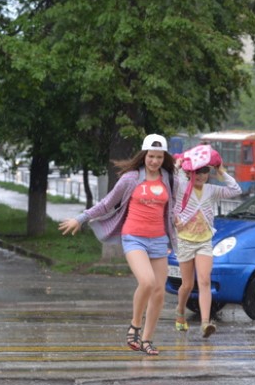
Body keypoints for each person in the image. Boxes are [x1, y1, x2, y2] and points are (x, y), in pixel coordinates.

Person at [59, 134, 177, 356]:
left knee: (159, 292)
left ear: (164, 157)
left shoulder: (170, 179)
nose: (154, 161)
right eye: (151, 156)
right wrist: (81, 218)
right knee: (147, 281)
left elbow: (173, 207)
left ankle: (147, 339)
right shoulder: (131, 179)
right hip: (134, 237)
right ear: (144, 156)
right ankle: (134, 325)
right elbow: (106, 204)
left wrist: (178, 219)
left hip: (159, 239)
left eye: (159, 157)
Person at [173, 144, 242, 337]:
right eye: (197, 171)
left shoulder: (211, 190)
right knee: (187, 284)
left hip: (204, 241)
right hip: (185, 240)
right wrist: (178, 165)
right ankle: (180, 312)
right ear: (189, 172)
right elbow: (172, 180)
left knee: (204, 281)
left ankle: (205, 323)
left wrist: (221, 171)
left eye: (205, 171)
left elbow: (235, 189)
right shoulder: (181, 187)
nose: (202, 175)